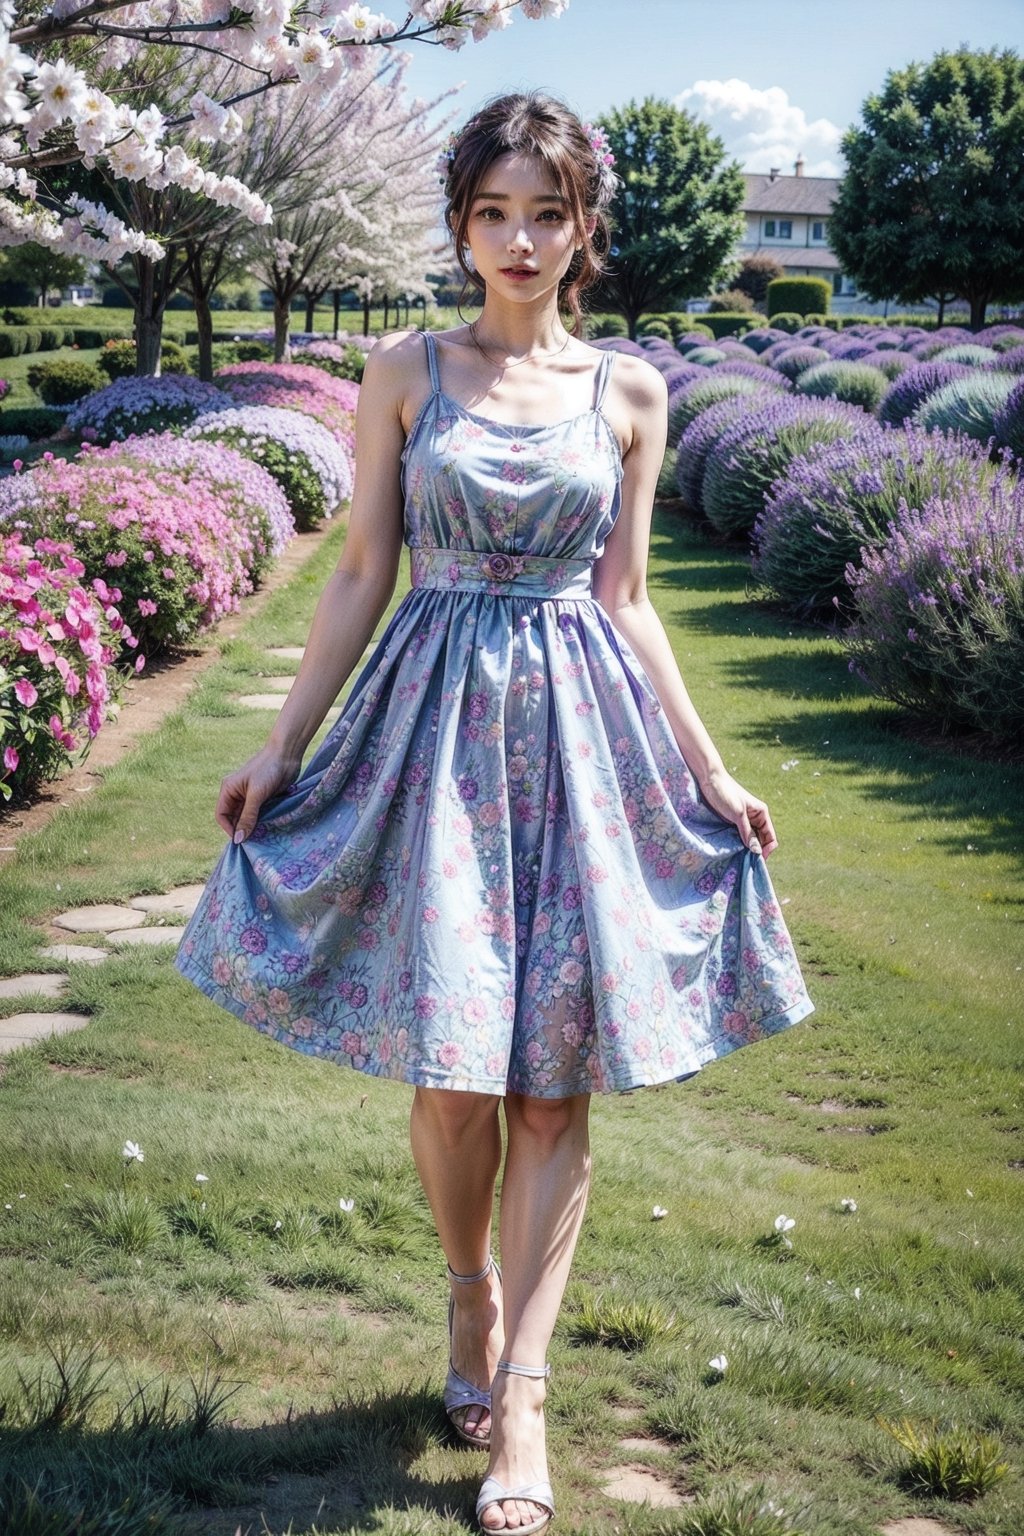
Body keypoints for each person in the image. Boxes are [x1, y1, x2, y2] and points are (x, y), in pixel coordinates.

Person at [175, 90, 814, 1536]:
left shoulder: (631, 394)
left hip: (580, 741)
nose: (519, 241)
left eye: (547, 213)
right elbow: (358, 574)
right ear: (461, 224)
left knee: (551, 1076)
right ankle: (467, 1289)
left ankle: (522, 1398)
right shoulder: (404, 369)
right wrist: (283, 745)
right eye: (493, 213)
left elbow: (629, 602)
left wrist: (710, 770)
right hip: (431, 734)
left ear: (584, 228)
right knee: (459, 1067)